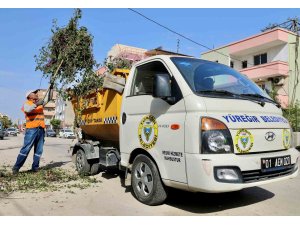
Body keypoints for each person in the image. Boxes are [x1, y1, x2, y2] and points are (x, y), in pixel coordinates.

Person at [12, 87, 53, 174]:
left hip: (41, 129)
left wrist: (51, 89)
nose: (36, 93)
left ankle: (35, 168)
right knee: (26, 149)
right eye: (34, 93)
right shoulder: (27, 104)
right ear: (29, 96)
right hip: (31, 130)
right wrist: (37, 103)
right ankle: (16, 168)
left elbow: (49, 98)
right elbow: (28, 109)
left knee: (39, 150)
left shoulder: (40, 104)